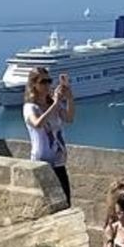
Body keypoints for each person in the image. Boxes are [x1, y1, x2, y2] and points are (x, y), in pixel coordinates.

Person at [23, 67, 75, 204]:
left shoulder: (52, 103)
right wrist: (56, 104)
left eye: (49, 81)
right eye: (43, 82)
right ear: (33, 84)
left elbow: (69, 119)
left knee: (65, 201)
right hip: (42, 161)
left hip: (59, 161)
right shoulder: (30, 107)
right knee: (49, 203)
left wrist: (69, 98)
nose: (47, 85)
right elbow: (38, 123)